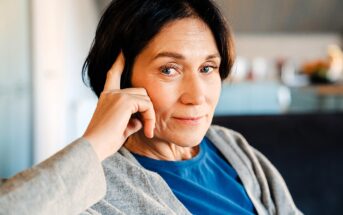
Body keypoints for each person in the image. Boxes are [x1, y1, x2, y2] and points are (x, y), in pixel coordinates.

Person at [0, 0, 302, 214]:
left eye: (208, 68)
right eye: (169, 69)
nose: (197, 96)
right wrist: (94, 144)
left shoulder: (232, 147)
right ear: (120, 80)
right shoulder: (95, 191)